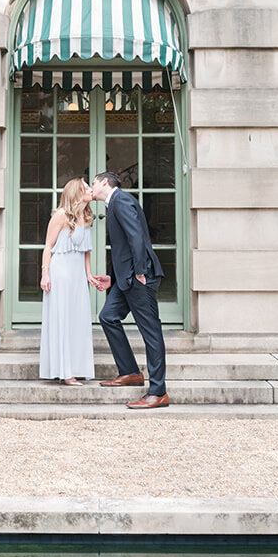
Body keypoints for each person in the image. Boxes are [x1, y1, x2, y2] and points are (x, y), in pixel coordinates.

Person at [85, 170, 168, 409]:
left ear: (103, 182)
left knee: (151, 332)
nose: (91, 187)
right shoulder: (114, 204)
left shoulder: (120, 200)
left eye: (93, 183)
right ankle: (130, 371)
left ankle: (158, 391)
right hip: (125, 278)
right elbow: (122, 247)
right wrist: (113, 277)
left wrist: (141, 271)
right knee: (108, 316)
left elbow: (136, 237)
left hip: (140, 277)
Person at [38, 178, 103, 385]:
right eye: (86, 188)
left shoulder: (86, 216)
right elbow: (48, 246)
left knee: (78, 319)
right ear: (76, 193)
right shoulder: (60, 216)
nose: (91, 190)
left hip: (77, 275)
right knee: (63, 319)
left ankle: (77, 366)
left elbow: (86, 251)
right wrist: (45, 274)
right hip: (61, 272)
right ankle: (65, 372)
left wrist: (89, 274)